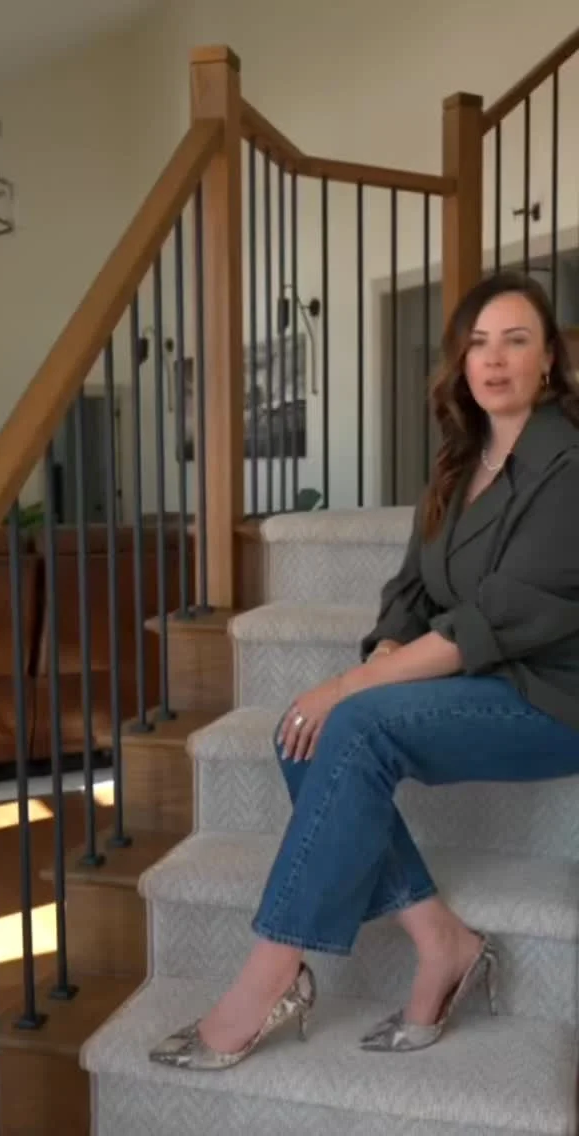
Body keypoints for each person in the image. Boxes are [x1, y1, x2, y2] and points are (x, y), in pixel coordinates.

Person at [149, 271, 579, 1068]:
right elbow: (411, 590)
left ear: (549, 358)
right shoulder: (461, 460)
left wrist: (351, 684)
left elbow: (489, 624)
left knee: (348, 722)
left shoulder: (569, 466)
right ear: (461, 361)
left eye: (516, 341)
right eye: (479, 343)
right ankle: (441, 940)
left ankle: (270, 976)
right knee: (302, 729)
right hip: (479, 678)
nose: (494, 360)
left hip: (551, 694)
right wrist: (384, 649)